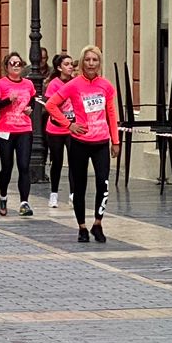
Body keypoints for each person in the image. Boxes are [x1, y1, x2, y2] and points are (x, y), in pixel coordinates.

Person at [47, 44, 119, 242]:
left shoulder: (106, 86)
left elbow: (111, 114)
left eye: (95, 60)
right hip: (79, 142)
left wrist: (116, 140)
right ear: (82, 63)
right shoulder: (73, 85)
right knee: (79, 185)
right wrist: (68, 125)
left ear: (99, 63)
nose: (91, 63)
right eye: (87, 60)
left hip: (101, 141)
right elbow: (51, 104)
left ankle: (97, 223)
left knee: (103, 184)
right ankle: (82, 227)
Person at [0, 51, 36, 217]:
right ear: (6, 67)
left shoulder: (28, 84)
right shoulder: (0, 84)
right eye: (13, 63)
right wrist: (8, 100)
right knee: (7, 167)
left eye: (19, 63)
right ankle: (3, 197)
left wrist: (30, 109)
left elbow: (32, 101)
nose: (16, 66)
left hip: (24, 129)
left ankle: (24, 203)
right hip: (5, 130)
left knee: (24, 166)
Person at [41, 52, 75, 204]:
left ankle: (73, 194)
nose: (70, 67)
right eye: (66, 64)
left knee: (75, 162)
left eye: (71, 64)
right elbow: (49, 105)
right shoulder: (54, 84)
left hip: (72, 127)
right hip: (55, 128)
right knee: (57, 161)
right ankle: (54, 193)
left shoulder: (75, 82)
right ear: (59, 68)